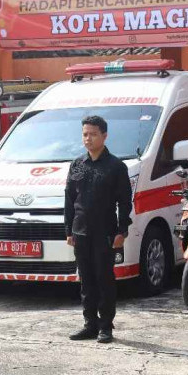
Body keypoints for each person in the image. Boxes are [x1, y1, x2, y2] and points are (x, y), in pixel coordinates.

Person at [64, 115, 132, 343]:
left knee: (104, 280)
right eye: (85, 134)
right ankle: (89, 324)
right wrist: (68, 229)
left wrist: (122, 231)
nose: (88, 139)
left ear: (104, 135)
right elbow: (69, 199)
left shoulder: (116, 167)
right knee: (86, 280)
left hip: (105, 232)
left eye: (93, 134)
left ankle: (106, 327)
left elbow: (125, 201)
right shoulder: (76, 164)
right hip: (81, 231)